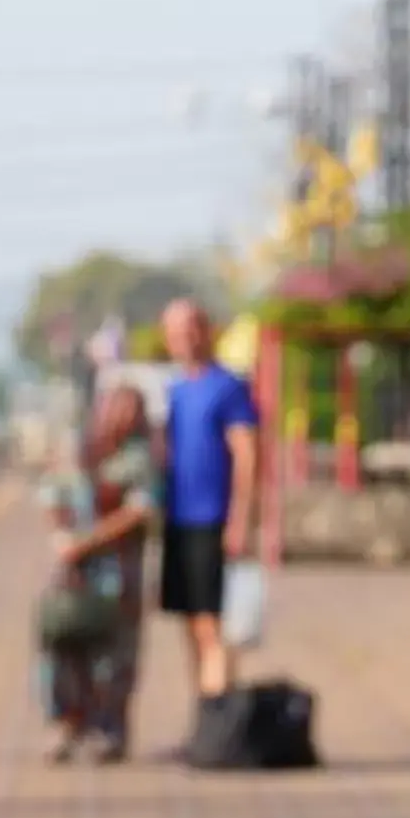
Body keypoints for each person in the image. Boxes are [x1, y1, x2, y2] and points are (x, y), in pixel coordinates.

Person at [35, 385, 159, 761]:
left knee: (116, 656)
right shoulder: (75, 449)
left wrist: (86, 540)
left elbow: (141, 509)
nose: (120, 417)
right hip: (74, 574)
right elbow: (51, 494)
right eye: (115, 408)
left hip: (119, 573)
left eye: (130, 410)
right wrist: (61, 535)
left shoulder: (140, 458)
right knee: (64, 646)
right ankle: (65, 725)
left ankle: (110, 731)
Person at [158, 298, 261, 723]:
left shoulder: (229, 387)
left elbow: (247, 454)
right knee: (190, 624)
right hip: (178, 519)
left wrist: (240, 519)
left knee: (212, 626)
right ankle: (204, 715)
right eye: (176, 331)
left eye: (191, 328)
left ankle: (217, 717)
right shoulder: (176, 391)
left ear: (207, 331)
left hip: (213, 520)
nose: (185, 338)